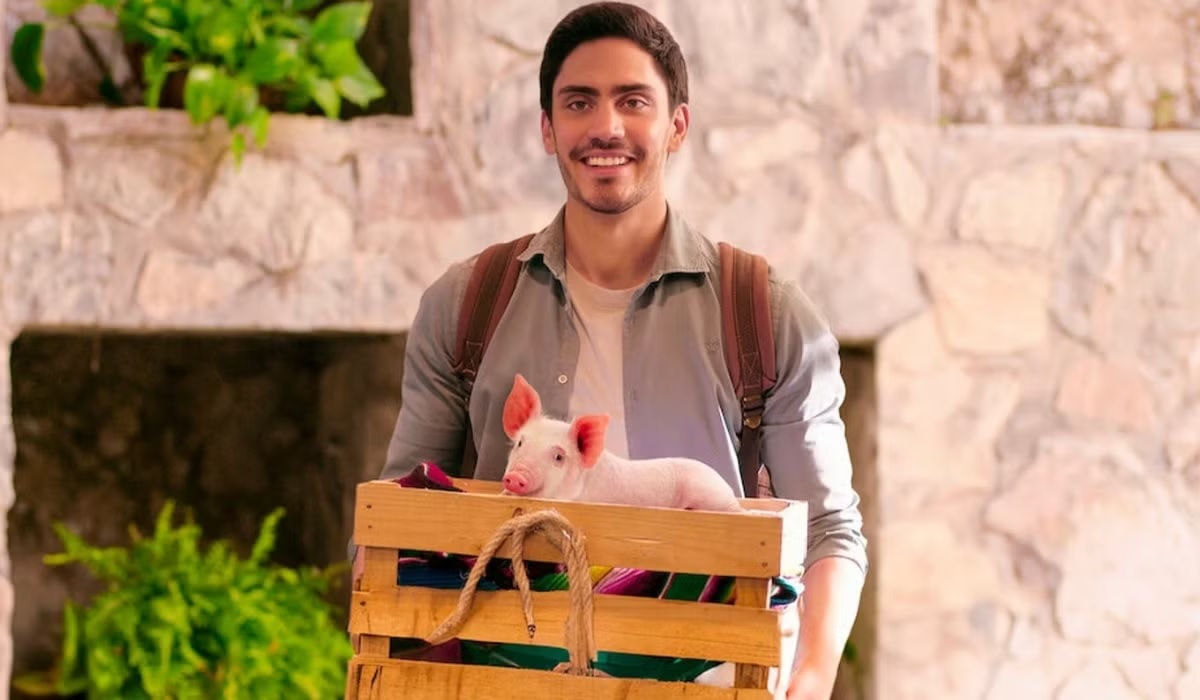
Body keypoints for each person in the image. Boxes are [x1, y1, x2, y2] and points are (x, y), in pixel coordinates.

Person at [353, 2, 867, 698]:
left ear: (677, 125)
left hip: (707, 678)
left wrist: (809, 678)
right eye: (578, 102)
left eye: (633, 101)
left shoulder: (767, 312)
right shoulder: (465, 304)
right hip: (506, 679)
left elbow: (830, 527)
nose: (605, 127)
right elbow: (400, 518)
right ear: (547, 128)